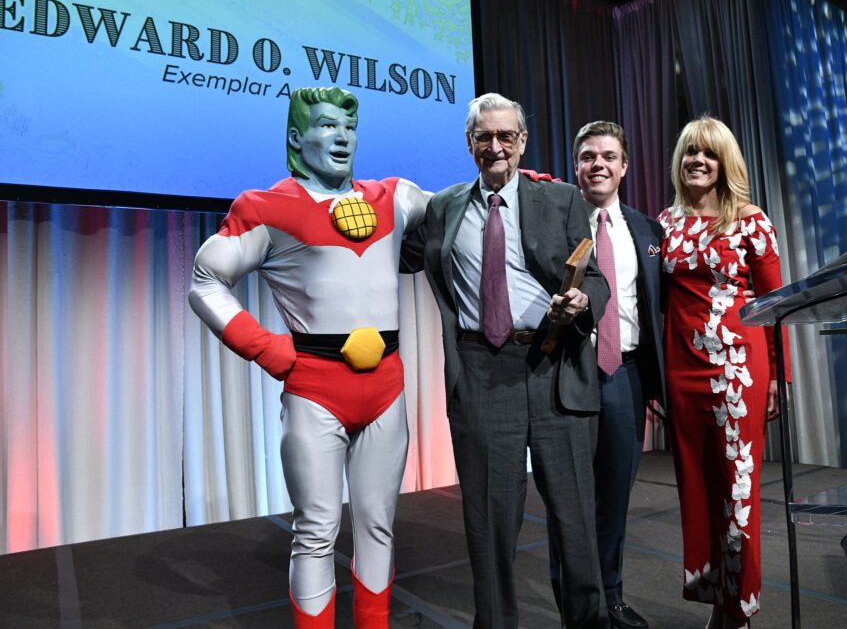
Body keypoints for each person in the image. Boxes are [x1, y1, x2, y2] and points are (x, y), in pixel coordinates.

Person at [189, 86, 430, 628]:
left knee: (377, 524)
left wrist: (519, 185)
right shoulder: (267, 207)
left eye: (347, 127)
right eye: (324, 125)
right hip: (316, 389)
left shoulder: (394, 195)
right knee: (317, 529)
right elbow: (205, 281)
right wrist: (267, 349)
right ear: (297, 138)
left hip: (387, 387)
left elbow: (462, 212)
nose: (340, 136)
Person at [402, 92, 610, 628]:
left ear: (521, 143)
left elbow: (598, 280)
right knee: (489, 526)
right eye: (484, 137)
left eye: (505, 137)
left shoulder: (561, 199)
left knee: (575, 524)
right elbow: (394, 252)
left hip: (554, 367)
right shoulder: (442, 207)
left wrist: (584, 302)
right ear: (468, 143)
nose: (495, 146)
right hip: (480, 372)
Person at [657, 117, 786, 629]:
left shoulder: (751, 220)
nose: (697, 161)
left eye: (708, 154)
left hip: (739, 371)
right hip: (683, 369)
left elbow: (776, 304)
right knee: (699, 485)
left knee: (738, 488)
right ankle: (716, 599)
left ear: (724, 163)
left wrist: (778, 376)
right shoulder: (665, 223)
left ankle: (740, 607)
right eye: (690, 152)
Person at [548, 122, 664, 629]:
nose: (599, 164)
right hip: (568, 373)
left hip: (627, 375)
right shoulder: (552, 223)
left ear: (624, 166)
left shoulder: (646, 230)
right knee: (568, 502)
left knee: (615, 497)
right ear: (576, 166)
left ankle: (611, 597)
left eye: (609, 156)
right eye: (589, 156)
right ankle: (578, 608)